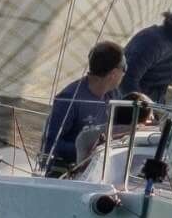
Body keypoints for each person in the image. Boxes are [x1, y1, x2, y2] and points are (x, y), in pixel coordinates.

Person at [41, 41, 126, 176]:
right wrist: (87, 150)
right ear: (114, 73)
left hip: (97, 171)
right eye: (124, 68)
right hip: (66, 173)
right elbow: (50, 145)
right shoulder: (69, 98)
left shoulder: (114, 95)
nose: (125, 73)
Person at [120, 0, 172, 103]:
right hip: (131, 112)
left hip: (152, 110)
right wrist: (146, 113)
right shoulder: (152, 41)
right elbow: (126, 81)